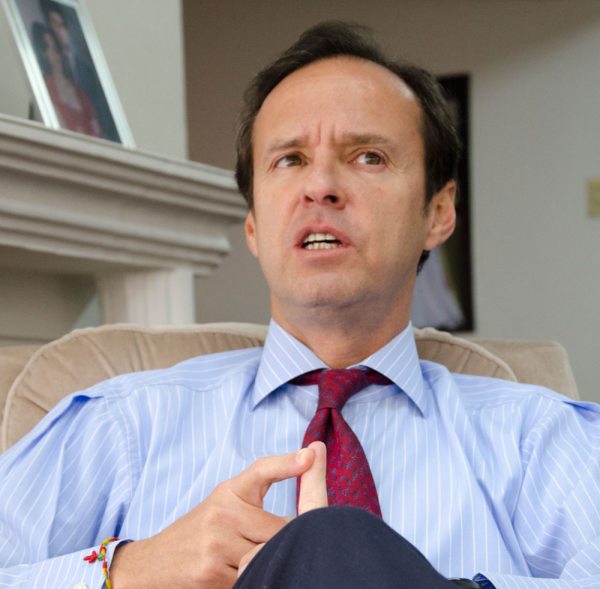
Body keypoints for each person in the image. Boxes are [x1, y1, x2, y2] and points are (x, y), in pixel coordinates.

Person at [1, 20, 599, 589]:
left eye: (368, 156)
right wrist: (126, 570)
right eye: (289, 159)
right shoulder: (122, 425)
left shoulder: (539, 439)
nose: (321, 187)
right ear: (254, 225)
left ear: (438, 213)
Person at [31, 21, 101, 137]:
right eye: (47, 47)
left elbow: (99, 134)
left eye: (55, 45)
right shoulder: (44, 90)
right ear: (42, 53)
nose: (54, 51)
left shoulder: (81, 93)